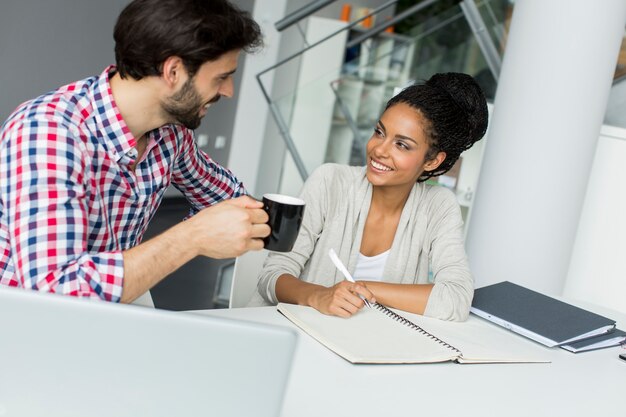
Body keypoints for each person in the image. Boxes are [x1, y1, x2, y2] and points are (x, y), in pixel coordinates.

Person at [0, 0, 270, 303]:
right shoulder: (49, 132)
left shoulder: (170, 133)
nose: (228, 91)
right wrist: (191, 238)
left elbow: (227, 197)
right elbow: (53, 290)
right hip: (22, 325)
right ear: (173, 71)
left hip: (106, 311)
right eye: (221, 77)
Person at [250, 72, 489, 321]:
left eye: (402, 145)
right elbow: (272, 276)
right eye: (379, 132)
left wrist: (365, 289)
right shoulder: (330, 182)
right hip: (294, 332)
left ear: (432, 161)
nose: (379, 150)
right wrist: (318, 296)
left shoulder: (438, 206)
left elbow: (456, 299)